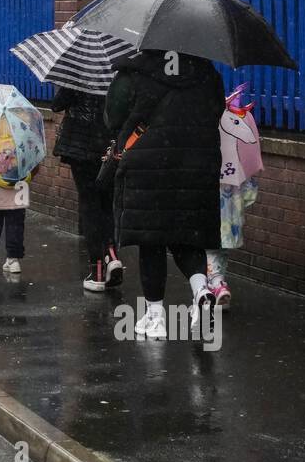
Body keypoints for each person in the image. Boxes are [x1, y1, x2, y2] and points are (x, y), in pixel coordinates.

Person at [103, 48, 224, 338]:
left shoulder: (133, 72)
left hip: (148, 165)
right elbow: (216, 111)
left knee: (152, 240)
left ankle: (155, 317)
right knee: (187, 234)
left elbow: (112, 118)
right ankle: (200, 290)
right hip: (197, 164)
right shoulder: (207, 73)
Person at [52, 85, 124, 292]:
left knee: (89, 204)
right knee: (107, 202)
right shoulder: (116, 75)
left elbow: (56, 105)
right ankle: (112, 254)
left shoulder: (77, 71)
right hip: (108, 144)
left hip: (80, 145)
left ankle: (98, 271)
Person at [207, 84, 263, 308]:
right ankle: (217, 281)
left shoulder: (206, 123)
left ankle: (216, 283)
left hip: (208, 195)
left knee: (207, 243)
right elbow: (251, 162)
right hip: (231, 198)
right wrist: (248, 194)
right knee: (221, 245)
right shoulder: (237, 119)